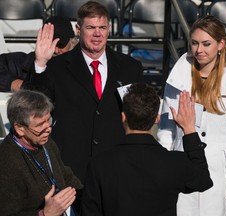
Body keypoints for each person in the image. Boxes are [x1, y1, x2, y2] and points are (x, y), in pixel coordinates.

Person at [25, 1, 143, 183]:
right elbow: (32, 108)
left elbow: (139, 117)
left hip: (116, 168)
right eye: (91, 27)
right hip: (70, 170)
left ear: (109, 29)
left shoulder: (130, 68)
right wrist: (40, 65)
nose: (97, 33)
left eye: (102, 27)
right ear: (78, 29)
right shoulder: (56, 67)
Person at [157, 16, 226, 216]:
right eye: (194, 43)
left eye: (206, 44)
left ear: (221, 44)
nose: (199, 50)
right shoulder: (177, 78)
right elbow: (165, 132)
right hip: (181, 171)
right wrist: (162, 175)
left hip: (221, 178)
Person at [81, 83, 213, 216]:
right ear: (156, 119)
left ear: (123, 117)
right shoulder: (174, 162)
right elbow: (203, 181)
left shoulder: (100, 164)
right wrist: (189, 130)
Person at [0, 89, 82, 215]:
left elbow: (66, 176)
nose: (48, 129)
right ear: (19, 128)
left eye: (48, 120)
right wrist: (45, 213)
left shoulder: (44, 141)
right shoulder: (6, 162)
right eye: (40, 125)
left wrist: (87, 197)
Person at [0, 15, 77, 92]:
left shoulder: (80, 67)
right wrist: (18, 84)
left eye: (61, 45)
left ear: (73, 43)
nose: (55, 50)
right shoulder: (20, 63)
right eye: (50, 43)